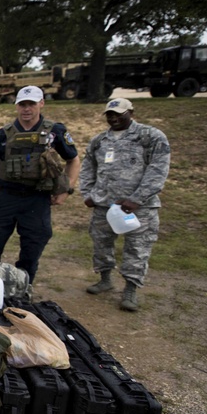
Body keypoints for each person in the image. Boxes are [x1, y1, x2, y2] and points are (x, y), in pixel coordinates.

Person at [0, 86, 81, 284]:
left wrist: (66, 189)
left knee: (32, 247)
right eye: (22, 104)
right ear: (17, 106)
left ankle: (23, 288)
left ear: (41, 103)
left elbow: (73, 160)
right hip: (7, 197)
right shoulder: (4, 134)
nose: (27, 109)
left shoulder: (54, 132)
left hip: (37, 199)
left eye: (31, 104)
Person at [79, 97, 170, 311]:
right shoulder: (99, 141)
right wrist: (88, 193)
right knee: (101, 244)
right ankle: (105, 279)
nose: (114, 118)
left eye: (119, 114)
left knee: (137, 248)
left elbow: (158, 170)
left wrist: (137, 199)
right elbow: (87, 168)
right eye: (110, 114)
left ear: (131, 112)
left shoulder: (151, 136)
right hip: (104, 206)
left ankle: (130, 289)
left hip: (140, 208)